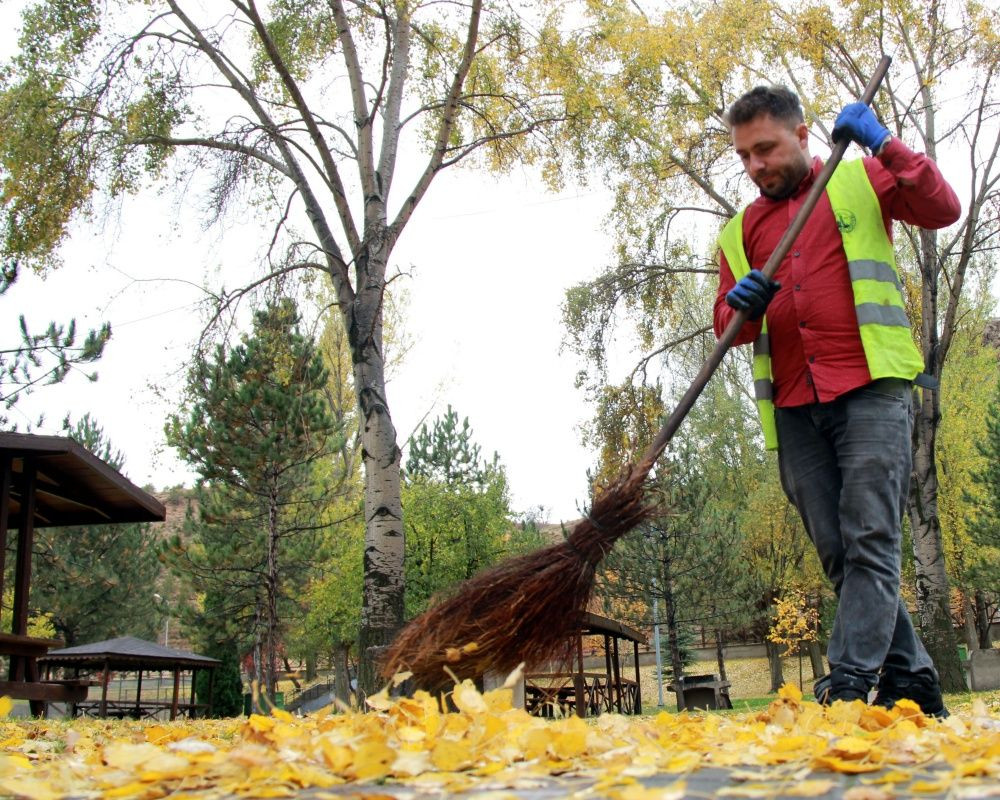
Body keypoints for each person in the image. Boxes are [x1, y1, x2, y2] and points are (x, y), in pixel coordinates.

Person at [713, 85, 961, 715]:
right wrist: (737, 308)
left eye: (765, 148)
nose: (755, 165)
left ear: (802, 136)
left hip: (872, 388)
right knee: (838, 551)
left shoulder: (861, 181)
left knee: (872, 535)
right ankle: (914, 678)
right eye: (744, 155)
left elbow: (943, 208)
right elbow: (730, 329)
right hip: (795, 405)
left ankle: (849, 680)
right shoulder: (739, 231)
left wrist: (884, 142)